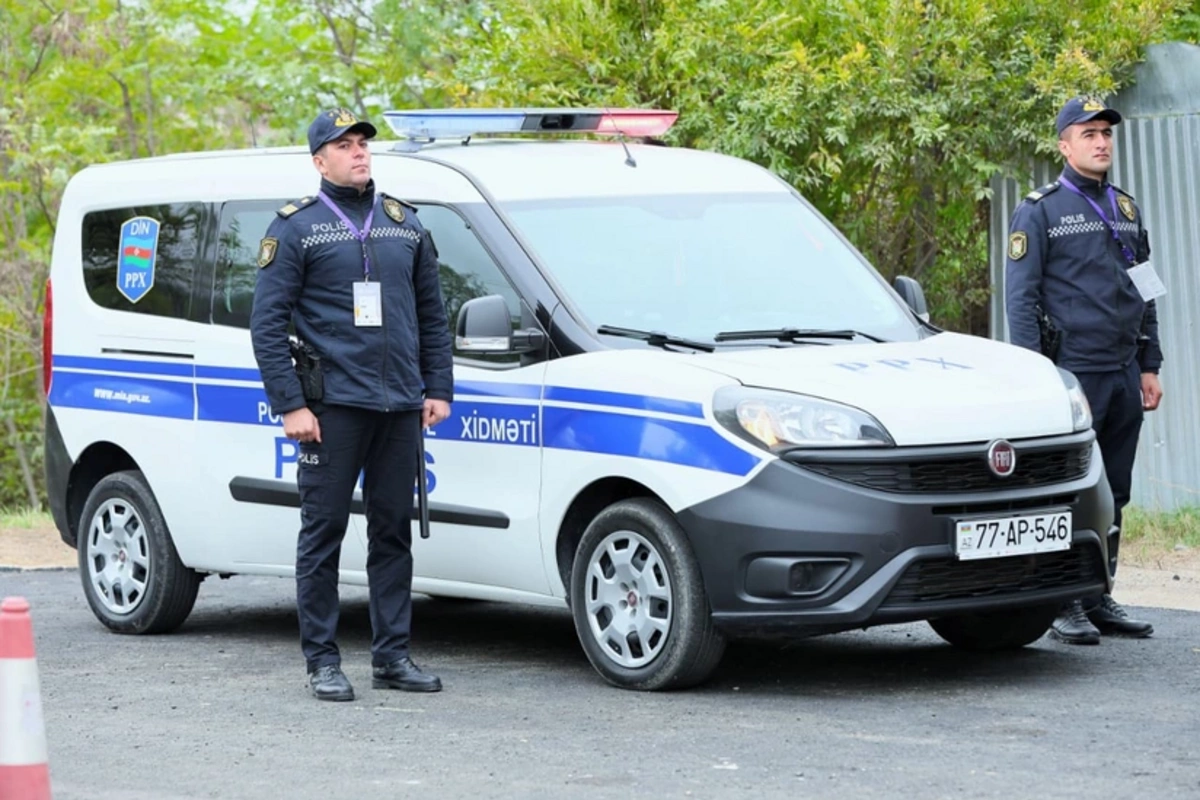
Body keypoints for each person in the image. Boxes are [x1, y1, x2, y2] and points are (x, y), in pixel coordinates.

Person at [250, 107, 454, 699]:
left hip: (399, 406)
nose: (359, 150)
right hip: (331, 408)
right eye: (344, 145)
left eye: (362, 141)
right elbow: (267, 325)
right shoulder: (296, 228)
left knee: (393, 534)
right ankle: (322, 661)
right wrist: (291, 405)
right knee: (324, 535)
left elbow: (432, 314)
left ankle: (392, 657)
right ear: (320, 162)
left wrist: (437, 387)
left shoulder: (404, 224)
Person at [1005, 96, 1163, 645]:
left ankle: (1098, 595)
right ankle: (1062, 601)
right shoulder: (1039, 210)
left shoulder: (1126, 208)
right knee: (1067, 491)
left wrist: (1150, 364)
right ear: (1064, 146)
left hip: (1122, 371)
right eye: (1088, 134)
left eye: (1106, 133)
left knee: (1114, 489)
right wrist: (1037, 378)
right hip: (1072, 375)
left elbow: (1145, 290)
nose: (1101, 142)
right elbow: (1021, 301)